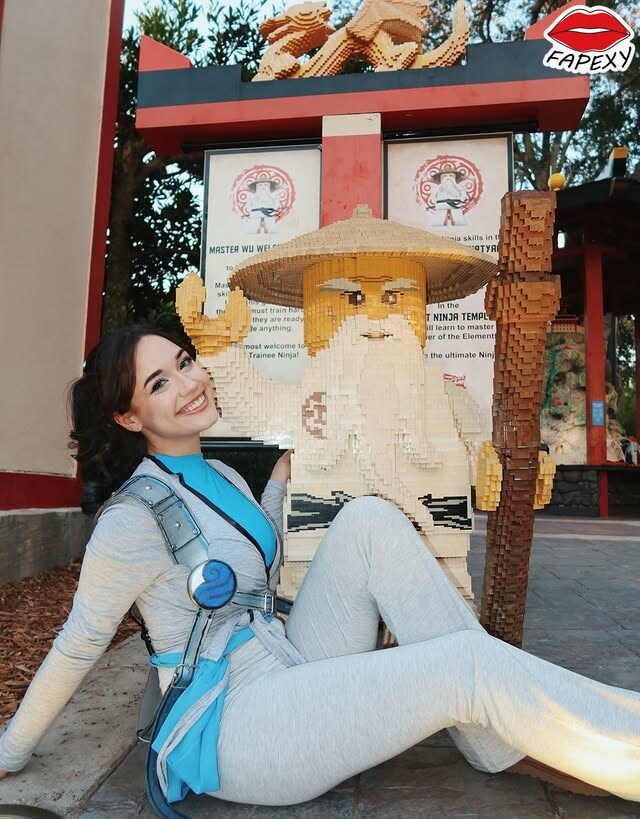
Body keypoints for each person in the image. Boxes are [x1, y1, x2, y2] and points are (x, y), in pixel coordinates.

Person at [0, 325, 639, 807]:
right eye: (159, 383)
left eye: (184, 362)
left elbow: (253, 563)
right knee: (465, 666)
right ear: (128, 416)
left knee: (367, 520)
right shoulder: (132, 517)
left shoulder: (220, 474)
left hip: (282, 659)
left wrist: (279, 483)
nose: (189, 383)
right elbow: (79, 641)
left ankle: (495, 735)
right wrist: (11, 750)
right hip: (238, 729)